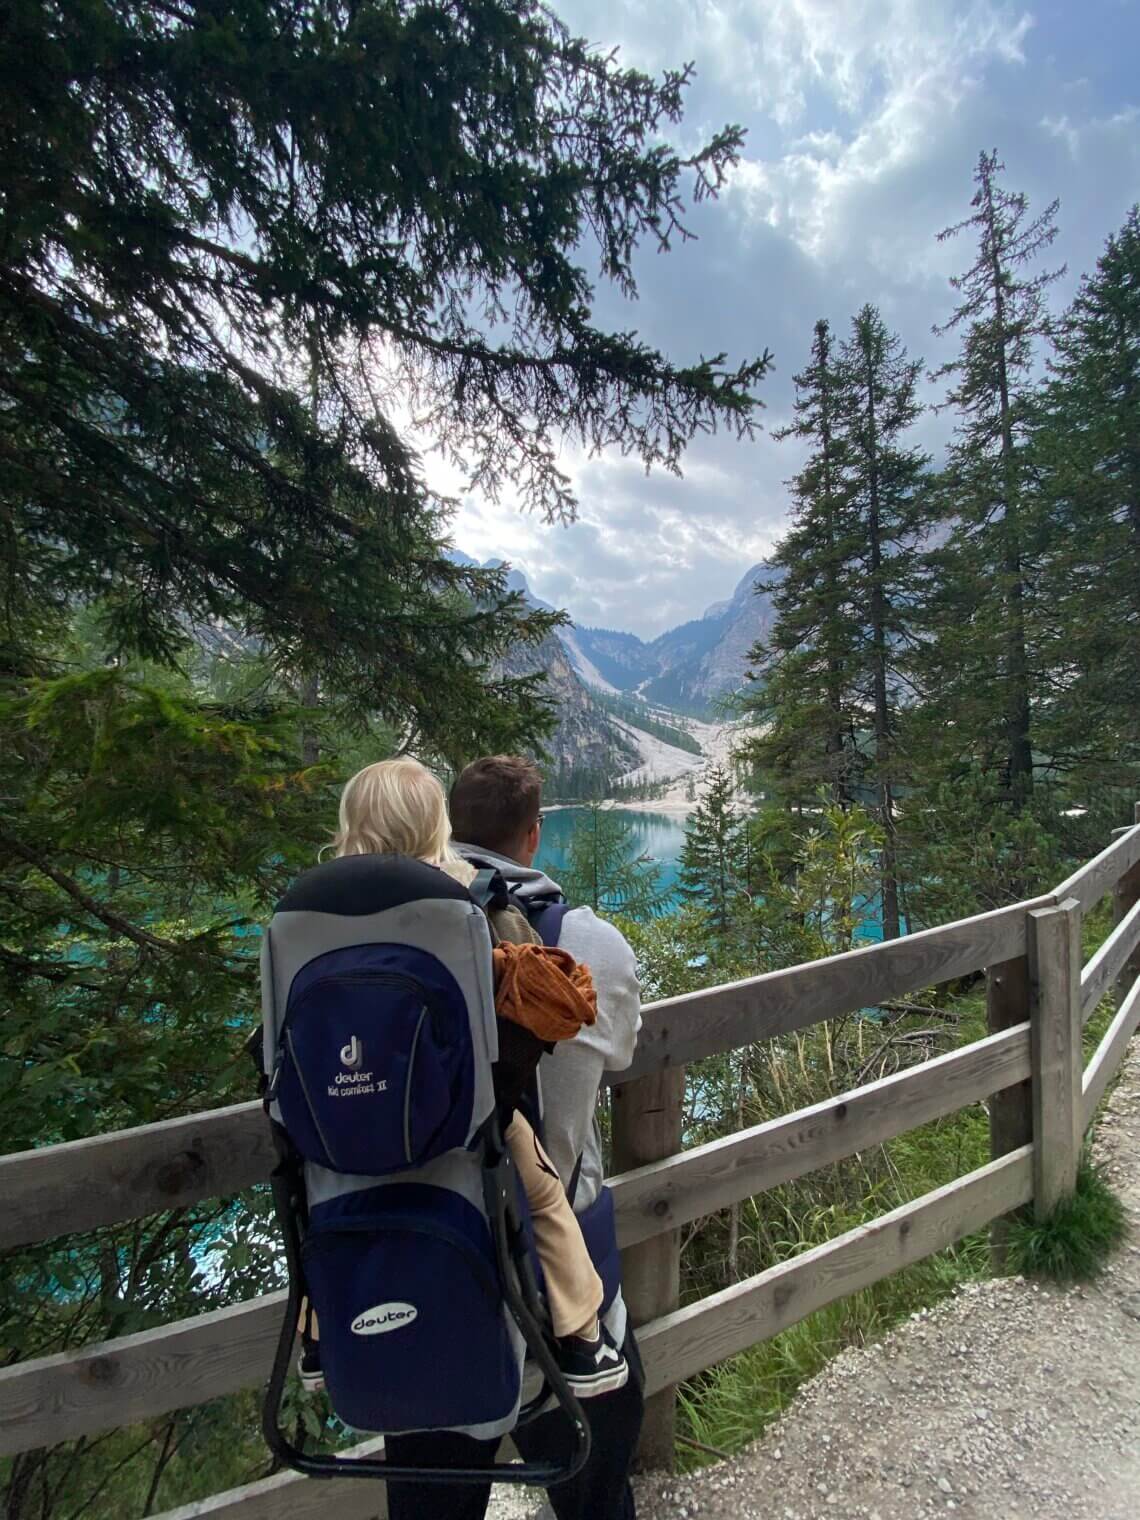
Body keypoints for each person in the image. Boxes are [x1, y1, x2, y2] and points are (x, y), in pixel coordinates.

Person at [302, 757, 629, 1399]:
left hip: (339, 1120)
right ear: (436, 830)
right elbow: (525, 1024)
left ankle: (318, 1334)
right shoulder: (464, 908)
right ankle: (579, 1336)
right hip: (458, 1118)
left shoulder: (307, 922)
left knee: (319, 1201)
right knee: (542, 1194)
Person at [385, 755, 645, 1520]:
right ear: (533, 836)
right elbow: (623, 1050)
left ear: (447, 830)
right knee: (596, 1497)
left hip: (429, 1277)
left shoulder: (395, 942)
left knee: (431, 1504)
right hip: (564, 1284)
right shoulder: (586, 942)